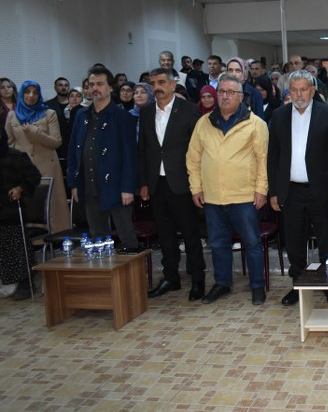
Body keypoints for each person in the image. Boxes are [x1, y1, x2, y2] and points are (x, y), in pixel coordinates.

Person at [186, 73, 268, 306]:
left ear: (241, 96)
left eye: (231, 92)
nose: (225, 96)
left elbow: (263, 160)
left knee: (252, 243)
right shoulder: (204, 123)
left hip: (244, 196)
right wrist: (196, 187)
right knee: (218, 243)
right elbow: (193, 158)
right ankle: (222, 283)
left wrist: (261, 190)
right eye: (221, 91)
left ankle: (257, 285)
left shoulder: (255, 124)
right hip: (212, 196)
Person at [268, 70, 328, 307]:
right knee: (294, 243)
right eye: (294, 90)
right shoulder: (279, 116)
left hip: (321, 191)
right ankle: (298, 285)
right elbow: (273, 157)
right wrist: (274, 192)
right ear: (289, 92)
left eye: (303, 89)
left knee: (326, 241)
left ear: (313, 91)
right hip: (290, 192)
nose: (299, 94)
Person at [138, 68, 206, 301]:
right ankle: (170, 278)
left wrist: (198, 184)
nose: (157, 87)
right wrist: (144, 182)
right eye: (153, 83)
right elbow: (143, 149)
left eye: (161, 82)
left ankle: (197, 279)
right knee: (165, 234)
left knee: (190, 234)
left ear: (173, 84)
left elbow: (198, 150)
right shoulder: (146, 112)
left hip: (183, 184)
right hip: (157, 184)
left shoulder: (189, 110)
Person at [67, 67, 139, 252]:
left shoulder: (122, 117)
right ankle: (104, 269)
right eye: (91, 85)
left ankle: (133, 269)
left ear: (110, 87)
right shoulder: (81, 115)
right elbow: (73, 150)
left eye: (100, 84)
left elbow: (130, 156)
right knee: (97, 237)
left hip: (117, 186)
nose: (95, 88)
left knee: (127, 236)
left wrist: (127, 187)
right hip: (89, 185)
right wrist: (74, 183)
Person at [5, 80, 69, 233]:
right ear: (21, 94)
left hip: (47, 165)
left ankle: (57, 237)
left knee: (51, 205)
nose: (31, 95)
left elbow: (56, 142)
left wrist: (36, 133)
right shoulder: (12, 116)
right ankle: (32, 240)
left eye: (35, 92)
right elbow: (9, 144)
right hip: (23, 170)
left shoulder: (49, 113)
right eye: (27, 92)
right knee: (27, 205)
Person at [0, 126, 42, 300]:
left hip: (11, 213)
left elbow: (34, 176)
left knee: (17, 250)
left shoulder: (15, 156)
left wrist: (20, 188)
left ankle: (25, 283)